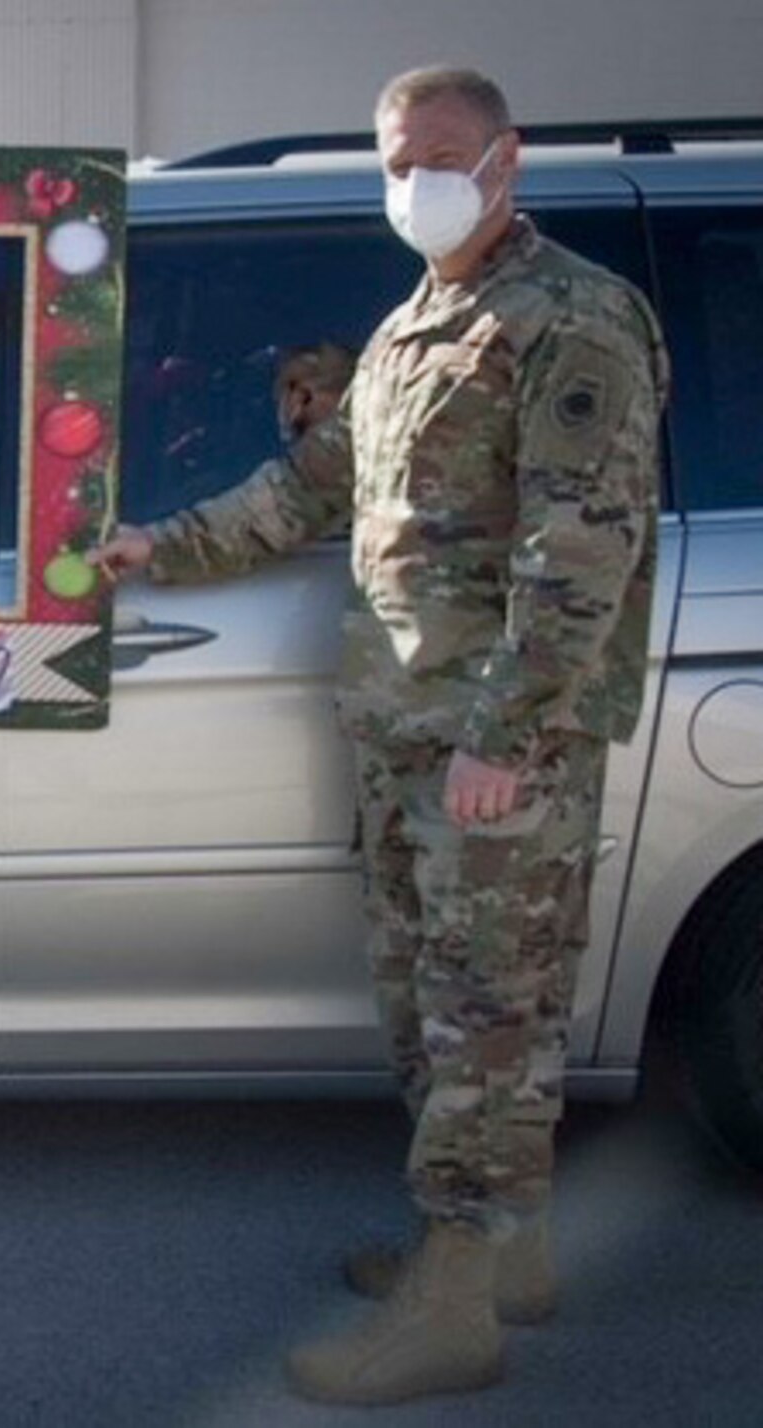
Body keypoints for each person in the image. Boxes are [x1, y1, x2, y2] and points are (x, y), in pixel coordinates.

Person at [90, 66, 666, 1405]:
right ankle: (500, 1255)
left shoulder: (569, 318)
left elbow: (580, 545)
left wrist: (507, 737)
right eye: (398, 160)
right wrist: (155, 549)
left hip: (487, 750)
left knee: (485, 1022)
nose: (417, 183)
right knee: (432, 1011)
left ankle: (453, 1310)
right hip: (408, 733)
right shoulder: (418, 323)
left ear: (507, 158)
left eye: (443, 156)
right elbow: (310, 489)